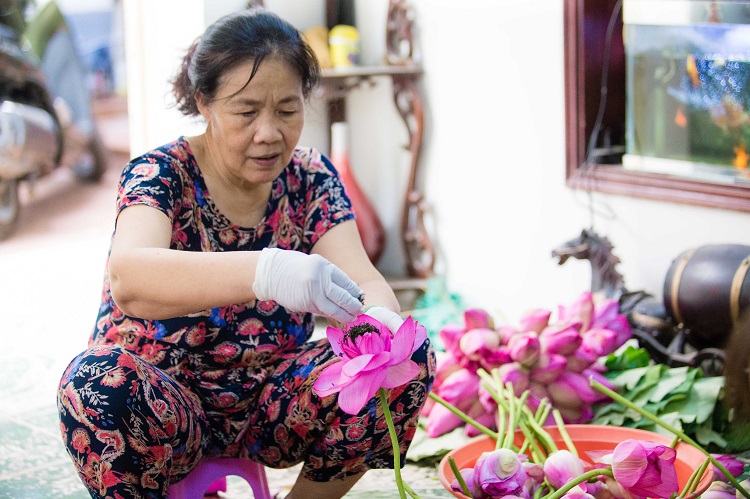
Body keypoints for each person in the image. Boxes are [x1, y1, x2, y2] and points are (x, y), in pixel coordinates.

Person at [56, 8, 435, 499]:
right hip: (164, 404)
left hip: (269, 404)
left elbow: (365, 278)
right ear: (205, 104)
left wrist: (377, 318)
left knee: (404, 355)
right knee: (93, 384)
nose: (269, 133)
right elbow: (130, 278)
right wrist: (267, 270)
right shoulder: (161, 173)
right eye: (246, 111)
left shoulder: (310, 178)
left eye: (287, 109)